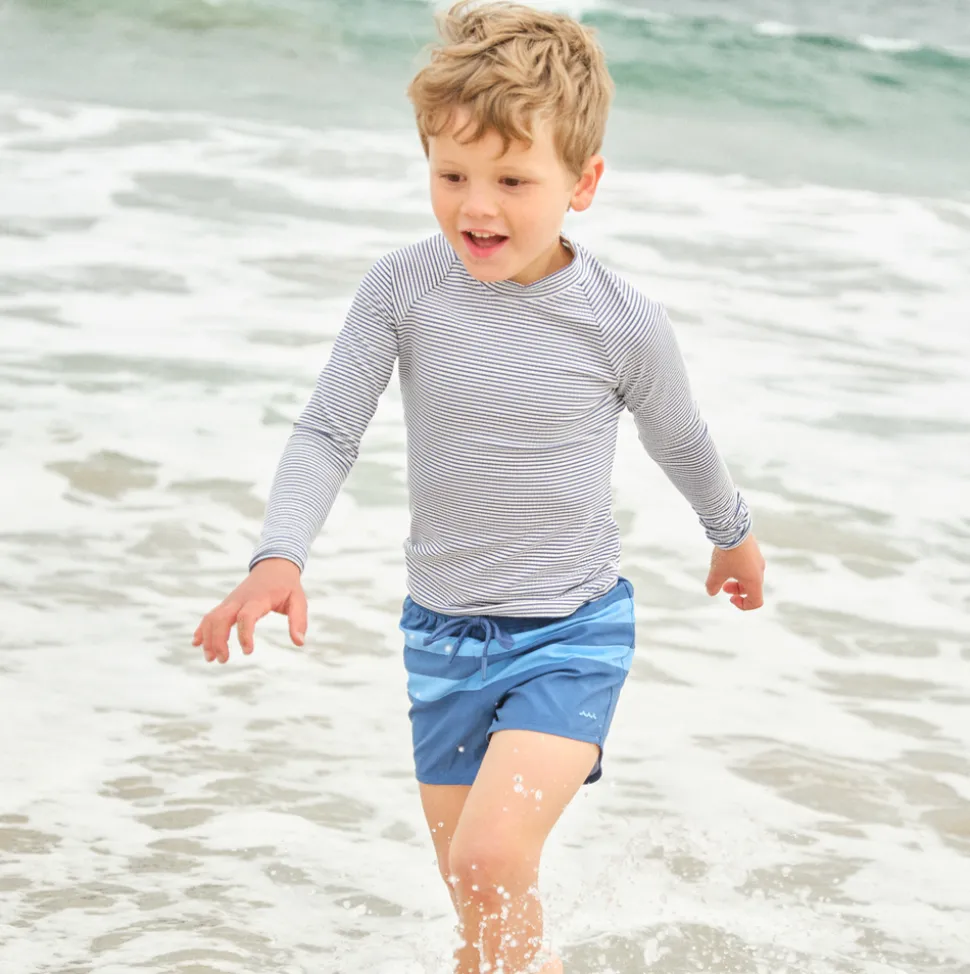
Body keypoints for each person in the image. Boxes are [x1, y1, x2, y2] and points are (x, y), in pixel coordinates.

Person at [193, 2, 766, 971]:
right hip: (441, 638)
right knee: (483, 912)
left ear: (583, 183)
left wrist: (731, 532)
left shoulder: (620, 321)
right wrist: (278, 556)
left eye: (512, 180)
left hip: (570, 634)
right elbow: (328, 428)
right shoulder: (402, 289)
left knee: (489, 857)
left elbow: (680, 436)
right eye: (451, 174)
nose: (476, 207)